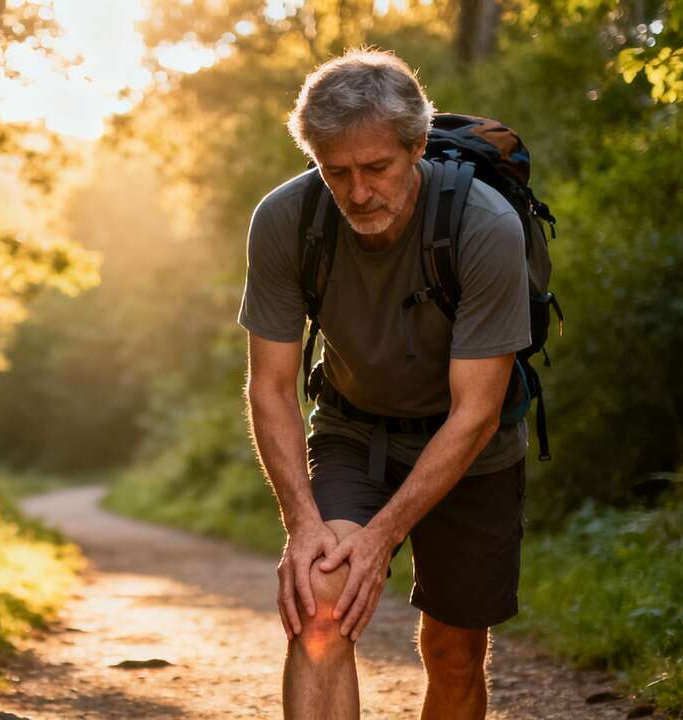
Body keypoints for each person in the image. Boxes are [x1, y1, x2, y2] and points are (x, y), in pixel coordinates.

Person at [239, 49, 531, 719]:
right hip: (354, 431)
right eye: (336, 172)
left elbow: (477, 413)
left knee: (453, 651)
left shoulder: (484, 225)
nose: (359, 193)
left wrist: (379, 538)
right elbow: (272, 387)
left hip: (470, 449)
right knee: (320, 607)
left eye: (377, 168)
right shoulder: (286, 221)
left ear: (417, 147)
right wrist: (302, 523)